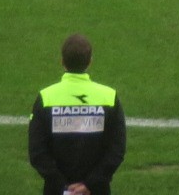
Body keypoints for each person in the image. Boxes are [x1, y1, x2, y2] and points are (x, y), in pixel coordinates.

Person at [28, 32, 125, 195]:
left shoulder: (46, 97)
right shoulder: (109, 97)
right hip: (97, 190)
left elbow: (37, 152)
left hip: (56, 191)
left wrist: (62, 186)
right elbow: (117, 150)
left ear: (62, 61)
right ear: (90, 61)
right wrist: (90, 184)